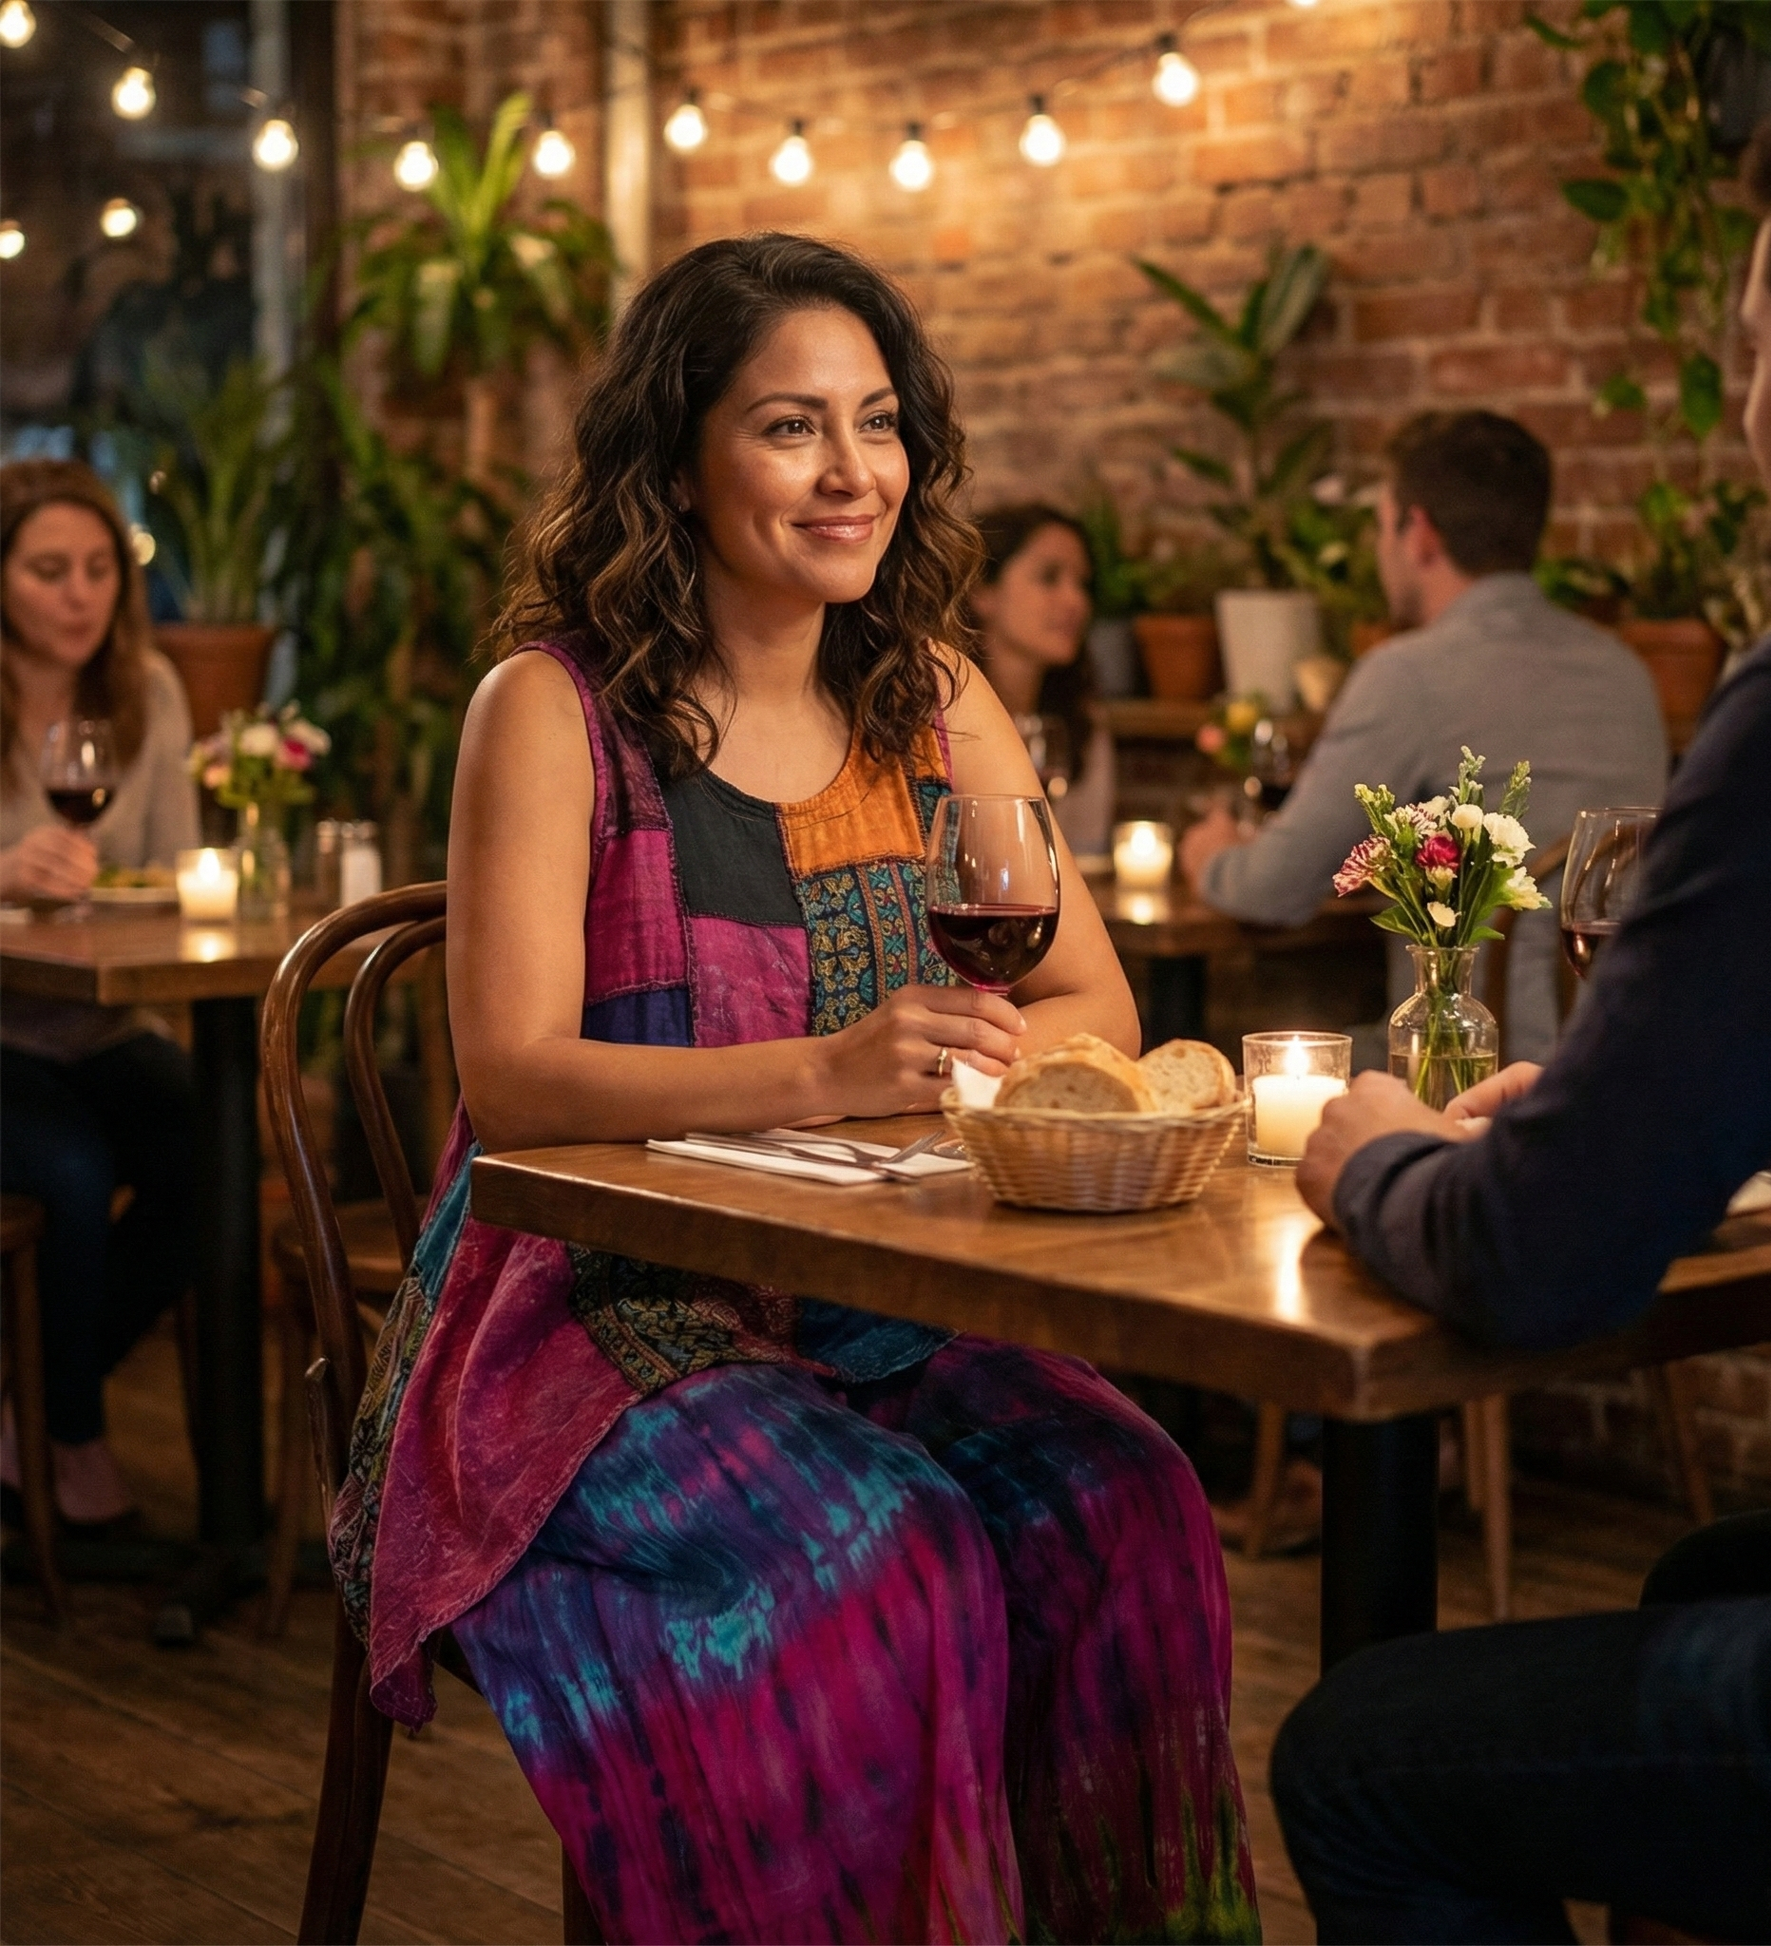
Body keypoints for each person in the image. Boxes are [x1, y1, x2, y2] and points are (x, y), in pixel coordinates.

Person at [329, 234, 1259, 1945]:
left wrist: (991, 1067)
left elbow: (1086, 994)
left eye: (879, 421)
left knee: (1128, 1509)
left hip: (872, 1293)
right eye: (789, 427)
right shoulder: (551, 711)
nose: (854, 473)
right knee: (882, 1558)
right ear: (675, 461)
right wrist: (826, 1072)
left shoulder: (934, 700)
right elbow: (516, 1084)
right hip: (588, 1323)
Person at [1273, 68, 1771, 1943]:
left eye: (1739, 358)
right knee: (1697, 1578)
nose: (1739, 420)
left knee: (1358, 1760)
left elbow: (1549, 1257)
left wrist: (1376, 1157)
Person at [1178, 411, 1667, 1065]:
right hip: (1626, 1061)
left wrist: (1210, 854)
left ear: (1419, 533)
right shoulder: (1626, 674)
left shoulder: (1409, 675)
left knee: (1252, 1062)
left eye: (1381, 525)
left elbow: (1272, 890)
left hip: (1469, 1071)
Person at [0, 458, 200, 1529]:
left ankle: (27, 1404)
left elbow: (174, 867)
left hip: (100, 1021)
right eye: (46, 570)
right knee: (72, 1175)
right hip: (3, 1032)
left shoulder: (148, 691)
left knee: (209, 1159)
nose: (79, 594)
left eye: (97, 570)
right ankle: (68, 1438)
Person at [971, 503, 1117, 856]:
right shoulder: (941, 713)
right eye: (1049, 577)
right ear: (983, 594)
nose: (1075, 601)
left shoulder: (1080, 720)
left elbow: (1085, 853)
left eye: (1081, 583)